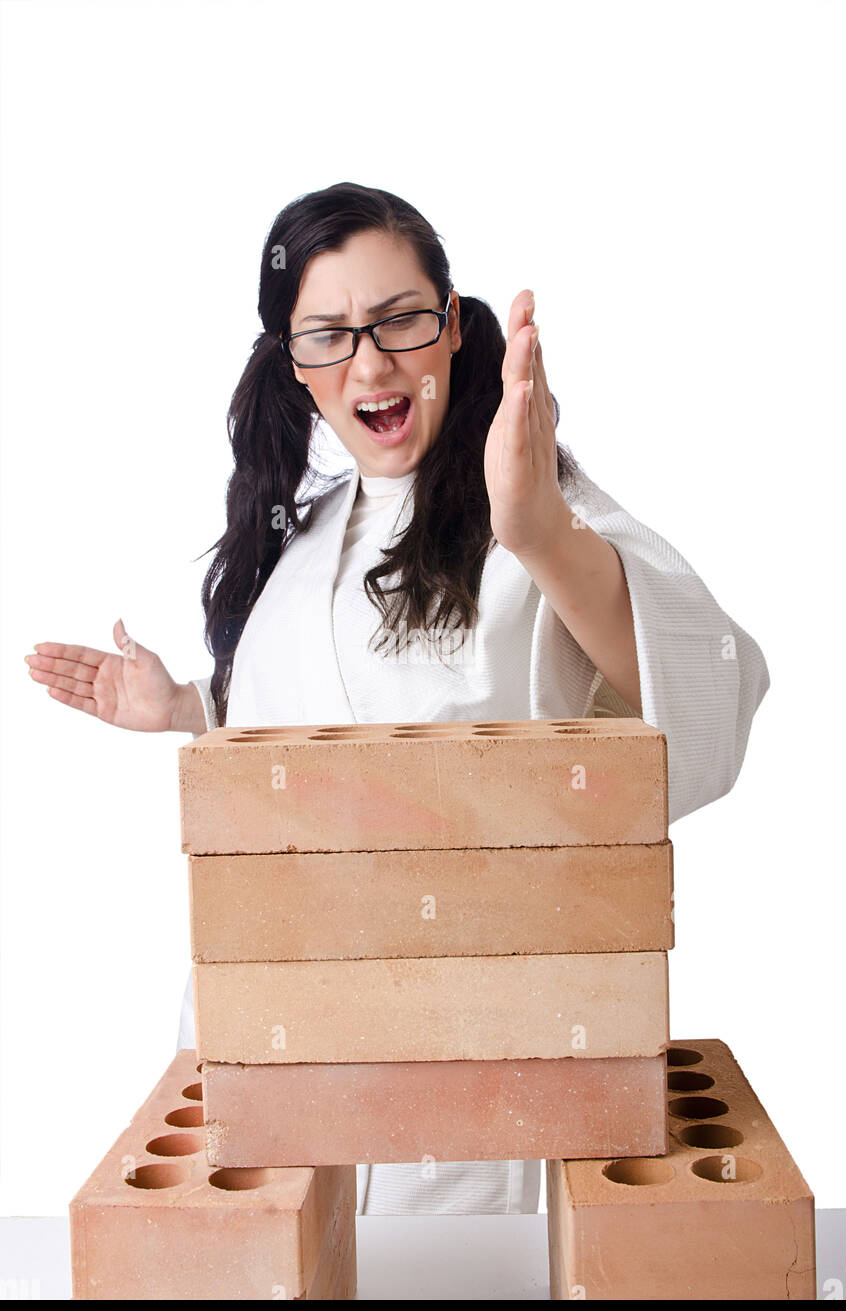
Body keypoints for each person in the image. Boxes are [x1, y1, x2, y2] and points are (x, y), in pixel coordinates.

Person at [25, 181, 770, 1216]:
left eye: (401, 321)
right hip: (276, 1063)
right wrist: (191, 706)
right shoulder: (305, 538)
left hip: (471, 1071)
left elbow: (699, 692)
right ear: (294, 364)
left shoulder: (531, 503)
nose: (371, 363)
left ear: (455, 327)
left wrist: (538, 529)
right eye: (329, 335)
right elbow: (321, 731)